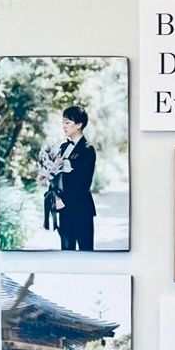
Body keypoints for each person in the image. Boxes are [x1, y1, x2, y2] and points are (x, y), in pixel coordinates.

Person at [53, 105, 97, 250]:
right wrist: (55, 196)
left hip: (81, 209)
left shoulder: (87, 149)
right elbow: (56, 175)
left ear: (79, 125)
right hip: (63, 210)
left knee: (86, 251)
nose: (64, 126)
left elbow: (84, 183)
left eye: (67, 122)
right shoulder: (63, 147)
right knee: (66, 252)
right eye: (63, 122)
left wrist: (64, 201)